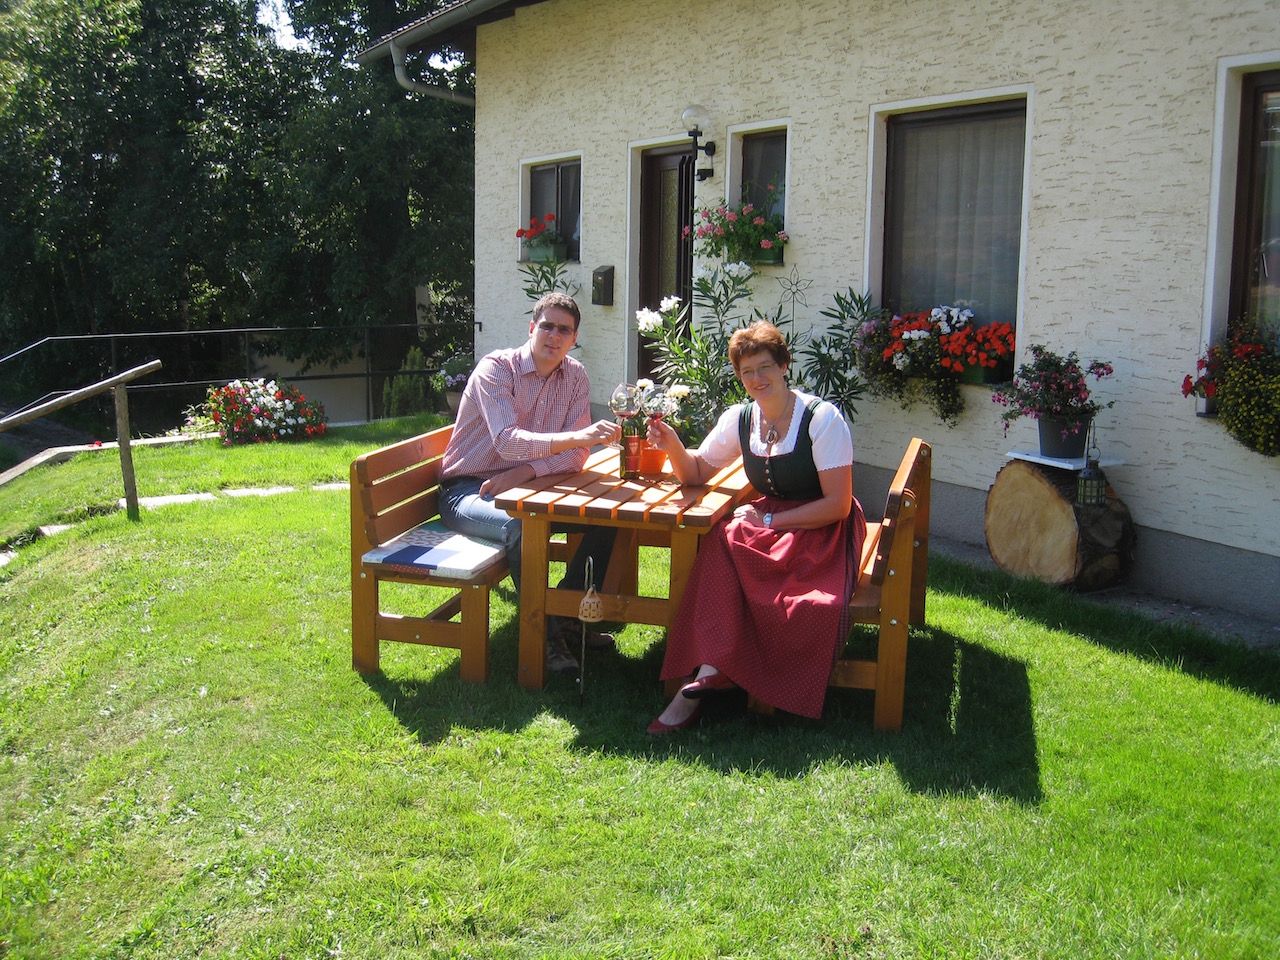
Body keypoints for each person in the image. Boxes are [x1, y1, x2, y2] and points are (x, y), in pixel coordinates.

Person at [642, 321, 867, 734]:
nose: (757, 379)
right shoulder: (740, 419)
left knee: (795, 594)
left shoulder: (822, 419)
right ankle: (713, 667)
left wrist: (770, 520)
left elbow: (836, 506)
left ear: (785, 365)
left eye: (764, 367)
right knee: (722, 538)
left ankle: (722, 670)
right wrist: (673, 443)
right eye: (747, 372)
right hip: (772, 522)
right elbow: (694, 473)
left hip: (819, 528)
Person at [439, 291, 620, 674]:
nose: (554, 336)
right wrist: (577, 437)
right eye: (547, 326)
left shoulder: (575, 375)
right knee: (522, 527)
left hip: (531, 485)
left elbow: (576, 457)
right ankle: (548, 635)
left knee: (608, 517)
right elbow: (507, 439)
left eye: (564, 330)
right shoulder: (496, 369)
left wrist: (523, 472)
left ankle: (570, 615)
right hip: (469, 490)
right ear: (531, 327)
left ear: (574, 339)